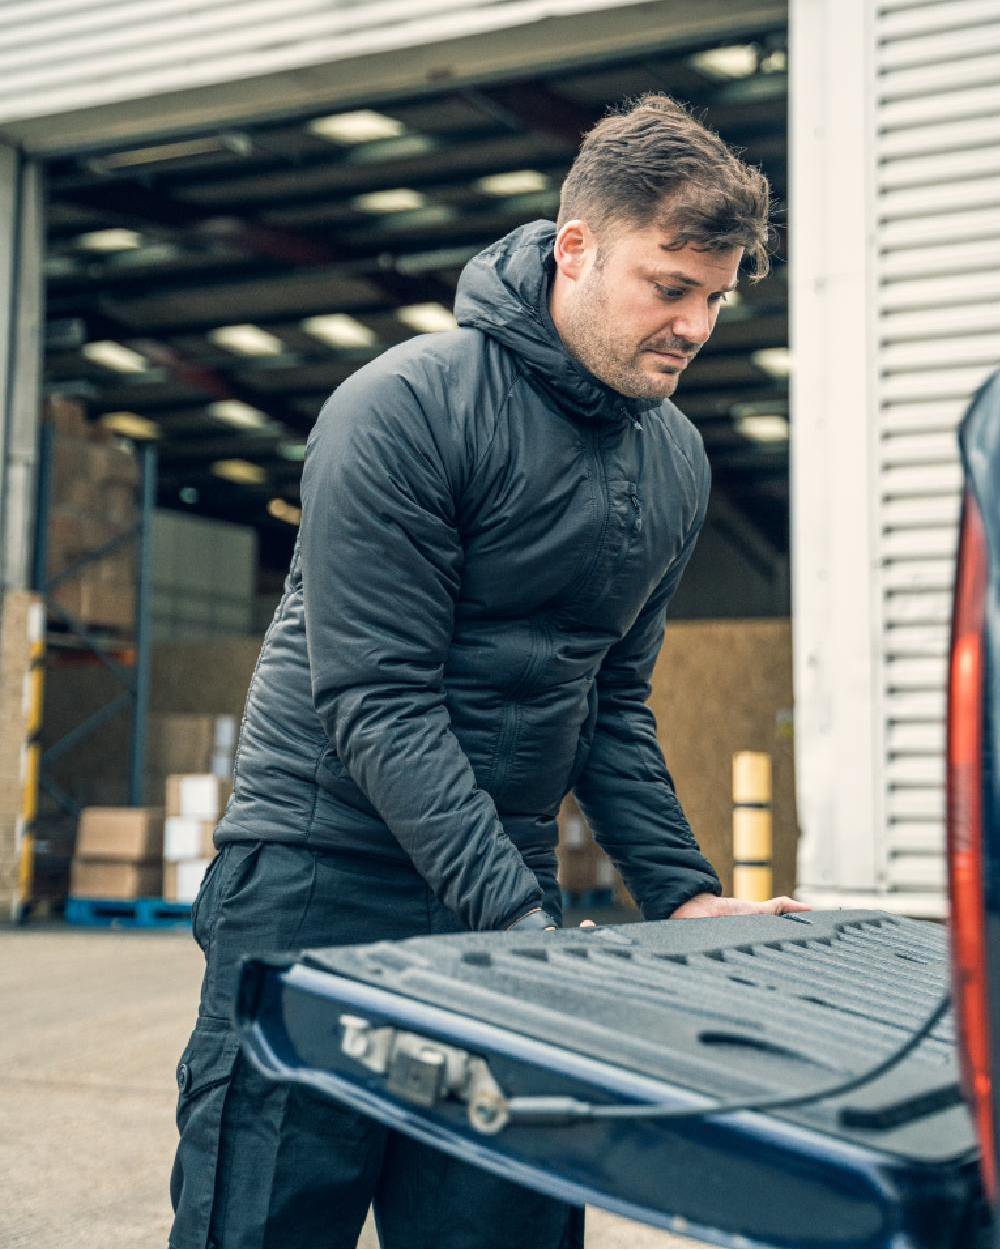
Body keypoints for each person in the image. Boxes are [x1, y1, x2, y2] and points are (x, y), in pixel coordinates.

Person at [169, 92, 806, 1249]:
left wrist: (681, 893)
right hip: (320, 878)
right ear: (576, 248)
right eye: (669, 287)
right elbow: (376, 698)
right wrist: (514, 917)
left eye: (715, 298)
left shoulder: (674, 460)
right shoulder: (405, 406)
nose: (695, 326)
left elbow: (611, 702)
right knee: (264, 1220)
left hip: (502, 879)